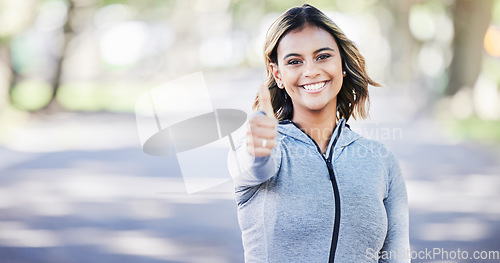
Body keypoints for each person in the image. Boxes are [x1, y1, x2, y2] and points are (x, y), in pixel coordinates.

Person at [229, 4, 409, 263]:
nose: (311, 71)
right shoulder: (262, 147)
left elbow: (397, 257)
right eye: (294, 61)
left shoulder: (382, 161)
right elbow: (254, 165)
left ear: (342, 65)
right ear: (277, 74)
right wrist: (260, 150)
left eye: (323, 56)